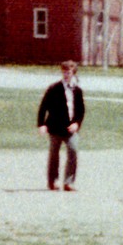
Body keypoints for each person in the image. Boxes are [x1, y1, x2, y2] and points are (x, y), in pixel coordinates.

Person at [37, 60, 86, 191]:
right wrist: (41, 124)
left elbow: (81, 110)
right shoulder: (54, 88)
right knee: (54, 154)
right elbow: (43, 107)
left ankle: (69, 182)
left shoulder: (77, 90)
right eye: (64, 72)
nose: (66, 75)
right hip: (55, 127)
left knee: (73, 151)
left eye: (68, 72)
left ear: (73, 73)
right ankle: (52, 181)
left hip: (70, 128)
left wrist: (77, 123)